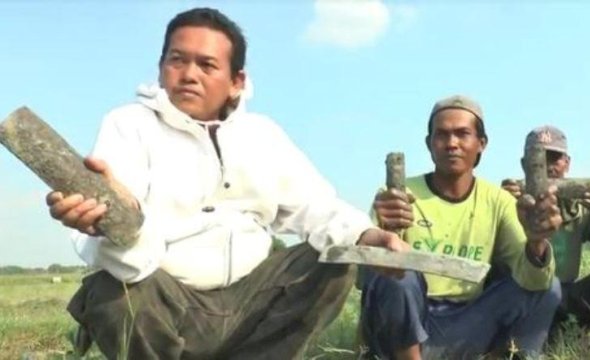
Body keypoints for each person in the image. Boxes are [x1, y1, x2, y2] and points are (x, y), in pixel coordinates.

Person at [46, 8, 406, 359]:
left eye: (206, 65)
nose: (188, 74)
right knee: (113, 290)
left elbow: (317, 207)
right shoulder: (130, 125)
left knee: (332, 260)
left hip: (251, 301)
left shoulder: (262, 134)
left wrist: (368, 235)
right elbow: (116, 221)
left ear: (237, 82)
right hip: (168, 300)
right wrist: (115, 215)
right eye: (177, 60)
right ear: (160, 69)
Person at [360, 95, 563, 360]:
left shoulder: (498, 201)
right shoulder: (398, 196)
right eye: (442, 135)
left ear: (481, 144)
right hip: (403, 326)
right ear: (429, 144)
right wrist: (386, 233)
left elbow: (532, 281)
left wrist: (537, 243)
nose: (451, 144)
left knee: (548, 287)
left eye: (462, 134)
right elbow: (363, 280)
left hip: (465, 323)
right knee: (398, 272)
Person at [502, 125, 590, 339]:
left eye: (554, 159)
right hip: (518, 302)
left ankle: (564, 332)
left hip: (566, 302)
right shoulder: (504, 202)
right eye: (537, 160)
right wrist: (503, 208)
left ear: (567, 164)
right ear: (524, 164)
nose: (547, 167)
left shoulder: (580, 209)